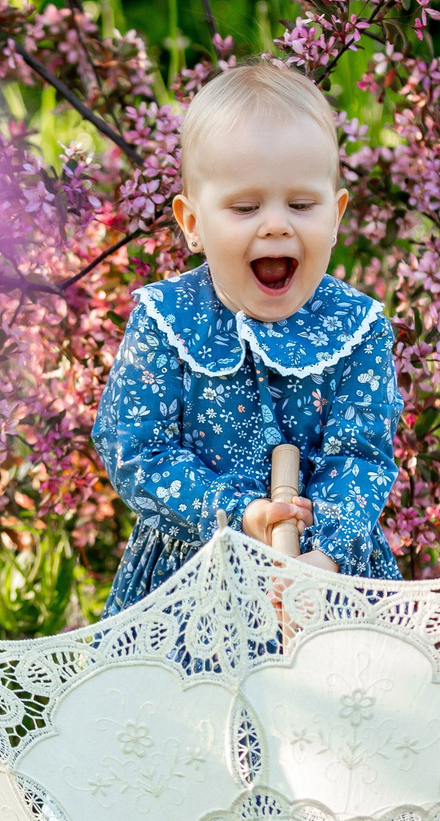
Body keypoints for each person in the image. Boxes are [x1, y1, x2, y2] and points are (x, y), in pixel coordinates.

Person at [92, 61, 403, 615]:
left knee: (334, 700)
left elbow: (360, 459)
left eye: (301, 205)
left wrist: (327, 558)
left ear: (336, 216)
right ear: (192, 223)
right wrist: (239, 515)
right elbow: (135, 449)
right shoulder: (167, 320)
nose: (277, 225)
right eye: (245, 207)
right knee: (197, 702)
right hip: (196, 577)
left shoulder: (358, 329)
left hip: (322, 576)